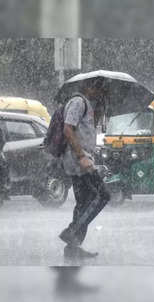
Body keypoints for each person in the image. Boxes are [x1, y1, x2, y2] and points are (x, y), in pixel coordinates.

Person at [58, 78, 111, 259]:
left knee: (84, 202)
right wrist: (81, 156)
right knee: (103, 195)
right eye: (99, 89)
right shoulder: (78, 102)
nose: (100, 93)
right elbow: (67, 129)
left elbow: (84, 130)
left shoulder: (87, 104)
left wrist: (100, 110)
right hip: (79, 160)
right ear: (89, 87)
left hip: (82, 159)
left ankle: (73, 248)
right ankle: (72, 231)